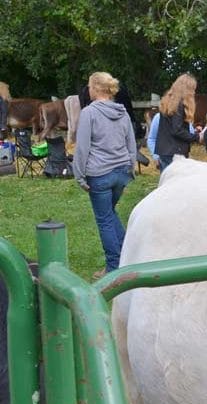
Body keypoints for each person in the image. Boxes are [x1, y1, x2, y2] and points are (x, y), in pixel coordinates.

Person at [72, 72, 136, 276]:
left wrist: (78, 174)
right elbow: (131, 142)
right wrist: (131, 166)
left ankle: (113, 267)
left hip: (100, 174)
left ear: (96, 88)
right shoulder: (122, 112)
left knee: (105, 219)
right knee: (109, 213)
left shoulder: (89, 113)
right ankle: (128, 255)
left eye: (89, 86)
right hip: (121, 172)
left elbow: (82, 147)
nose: (88, 90)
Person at [156, 73, 200, 172]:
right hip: (175, 151)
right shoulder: (179, 105)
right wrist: (196, 137)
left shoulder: (167, 102)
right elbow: (177, 130)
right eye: (192, 89)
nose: (194, 92)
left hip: (164, 149)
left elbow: (171, 127)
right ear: (186, 89)